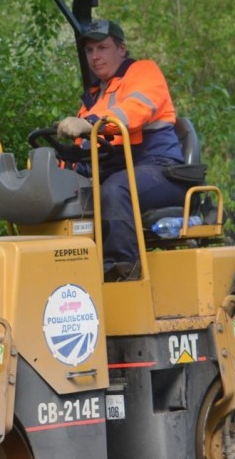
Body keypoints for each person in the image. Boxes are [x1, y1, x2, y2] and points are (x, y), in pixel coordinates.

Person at [57, 18, 187, 280]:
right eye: (90, 51)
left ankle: (122, 272)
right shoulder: (96, 96)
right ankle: (66, 273)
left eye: (102, 48)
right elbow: (85, 148)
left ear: (121, 48)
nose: (95, 56)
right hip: (120, 168)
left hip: (161, 169)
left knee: (116, 190)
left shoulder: (144, 72)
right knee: (64, 192)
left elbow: (132, 113)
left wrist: (89, 123)